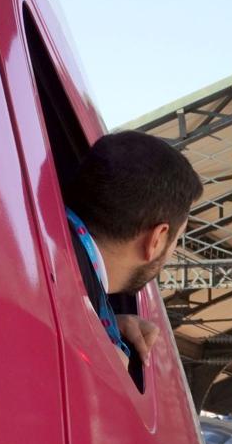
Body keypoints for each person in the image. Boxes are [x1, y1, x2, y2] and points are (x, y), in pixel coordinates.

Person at [65, 130, 203, 368]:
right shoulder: (67, 298)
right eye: (177, 238)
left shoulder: (55, 261)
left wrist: (102, 325)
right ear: (156, 239)